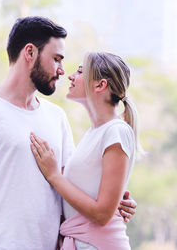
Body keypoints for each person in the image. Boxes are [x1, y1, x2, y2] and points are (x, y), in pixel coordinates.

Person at [0, 16, 136, 250]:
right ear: (30, 53)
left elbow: (68, 187)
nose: (62, 70)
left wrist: (114, 202)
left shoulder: (57, 117)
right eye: (57, 59)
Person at [30, 52, 140, 249]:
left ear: (100, 85)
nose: (71, 76)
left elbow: (101, 214)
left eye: (80, 71)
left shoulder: (116, 131)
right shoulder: (94, 133)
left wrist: (54, 176)